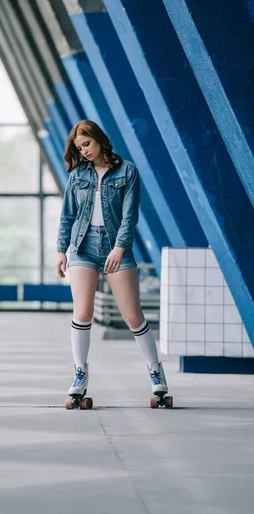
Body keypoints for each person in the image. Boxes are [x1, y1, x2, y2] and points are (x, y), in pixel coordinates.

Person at [56, 120, 168, 404]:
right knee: (82, 313)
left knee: (132, 315)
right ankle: (80, 373)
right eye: (79, 147)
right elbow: (68, 216)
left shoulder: (127, 171)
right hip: (82, 248)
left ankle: (155, 371)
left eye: (87, 144)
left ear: (99, 140)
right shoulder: (78, 176)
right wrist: (61, 251)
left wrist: (119, 247)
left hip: (115, 247)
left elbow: (130, 216)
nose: (84, 151)